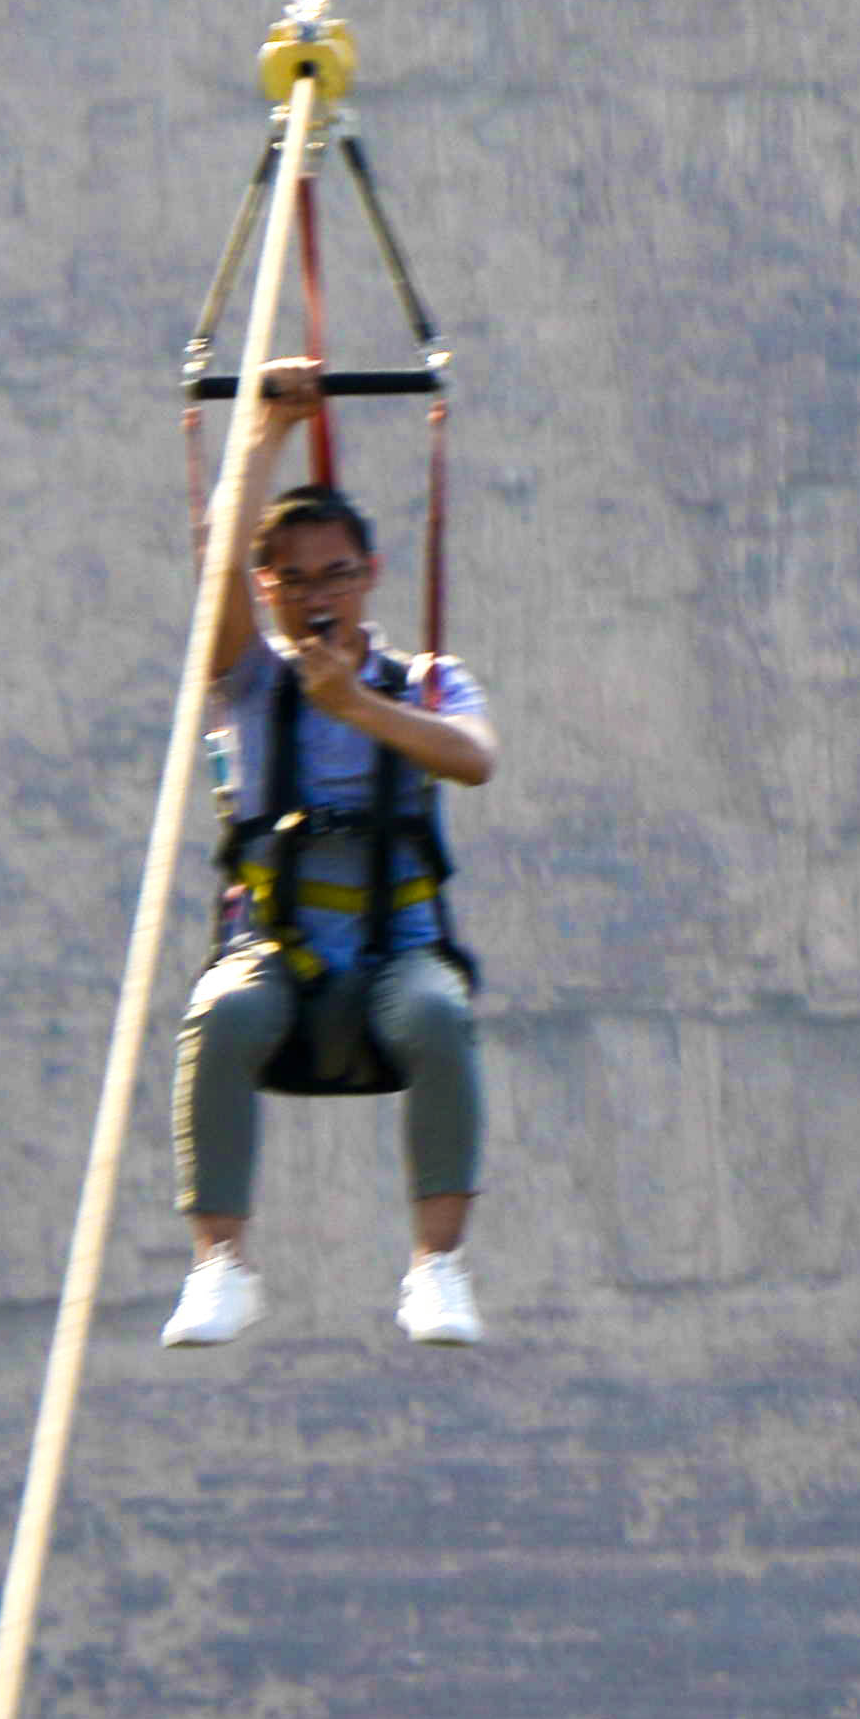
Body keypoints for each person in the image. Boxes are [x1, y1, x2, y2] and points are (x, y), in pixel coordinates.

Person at [164, 408, 498, 1347]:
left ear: (369, 579)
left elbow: (473, 759)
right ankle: (219, 1264)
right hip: (276, 953)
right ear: (270, 592)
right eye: (296, 581)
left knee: (439, 1017)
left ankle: (438, 1266)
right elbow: (218, 574)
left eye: (337, 576)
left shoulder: (428, 685)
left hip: (399, 954)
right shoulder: (250, 685)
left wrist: (356, 705)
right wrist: (265, 435)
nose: (319, 599)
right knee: (222, 1015)